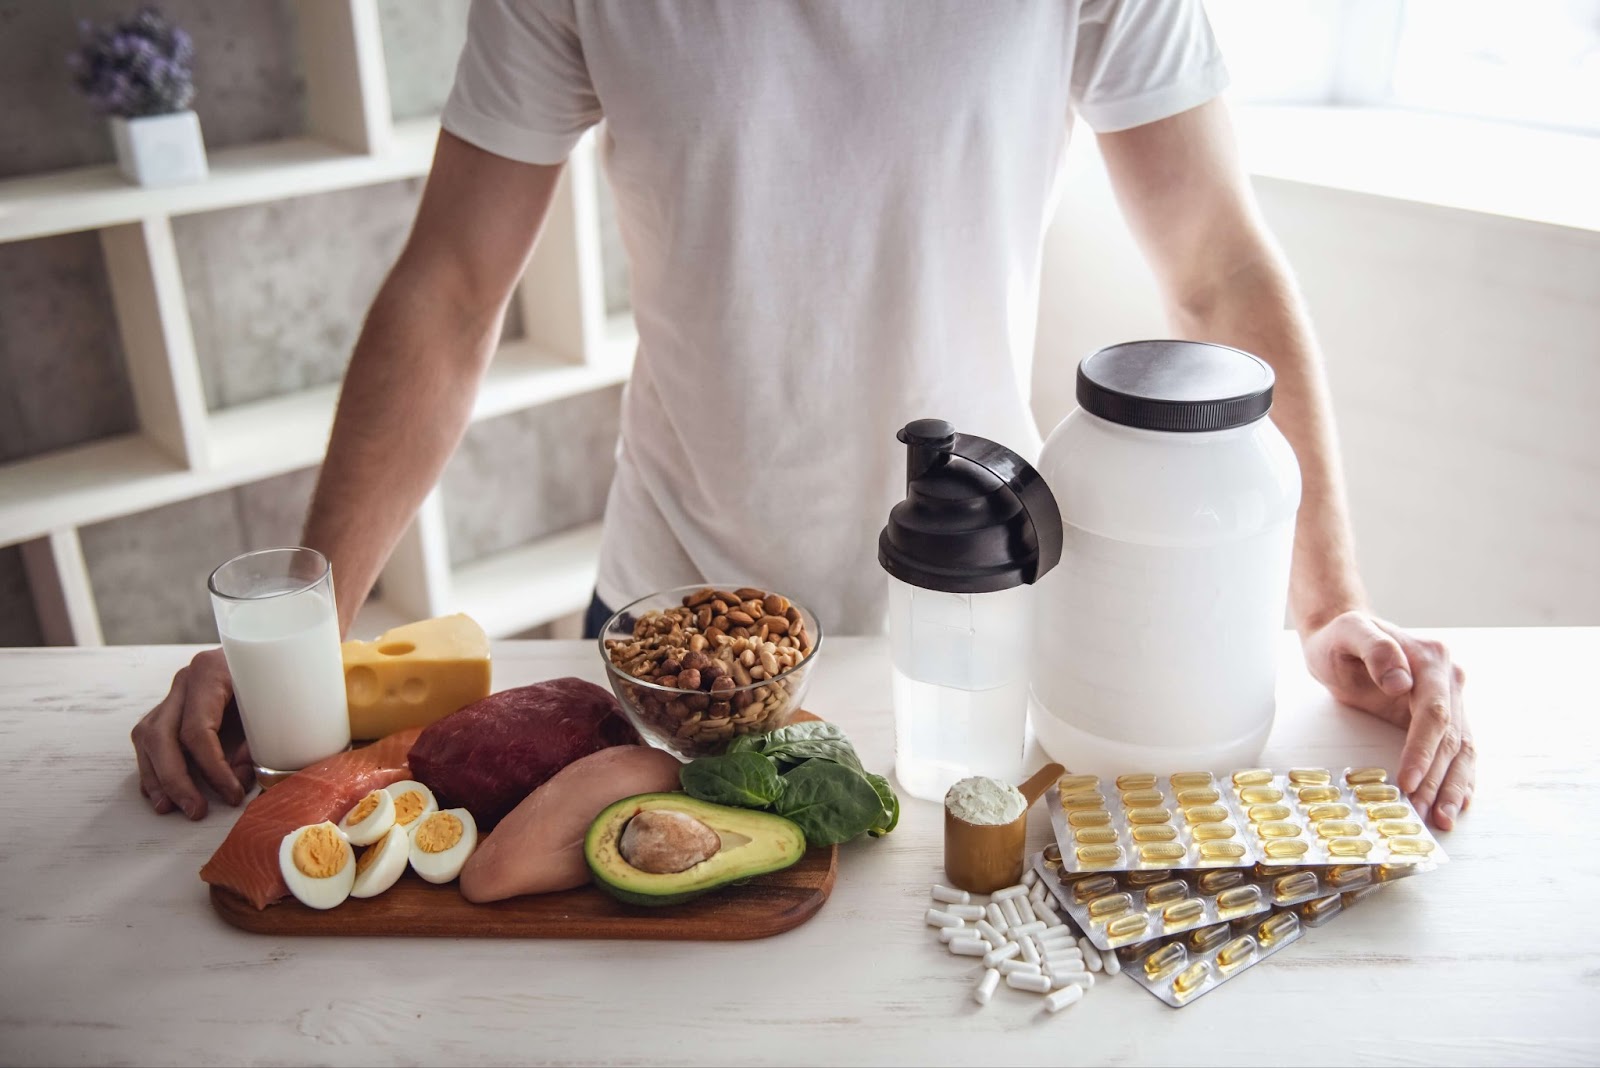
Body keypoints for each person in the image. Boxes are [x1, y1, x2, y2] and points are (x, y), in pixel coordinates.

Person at [131, 0, 1473, 829]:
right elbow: (451, 287)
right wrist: (299, 638)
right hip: (668, 630)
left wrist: (1330, 601)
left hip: (979, 628)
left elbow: (1220, 269)